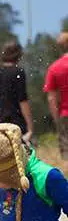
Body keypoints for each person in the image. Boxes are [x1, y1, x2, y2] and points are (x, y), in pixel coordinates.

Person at [0, 41, 33, 143]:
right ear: (18, 54)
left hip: (1, 125)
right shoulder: (18, 72)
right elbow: (22, 100)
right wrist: (30, 127)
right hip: (17, 124)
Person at [44, 32, 68, 162]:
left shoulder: (54, 68)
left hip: (65, 114)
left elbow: (51, 98)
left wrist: (56, 119)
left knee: (66, 152)